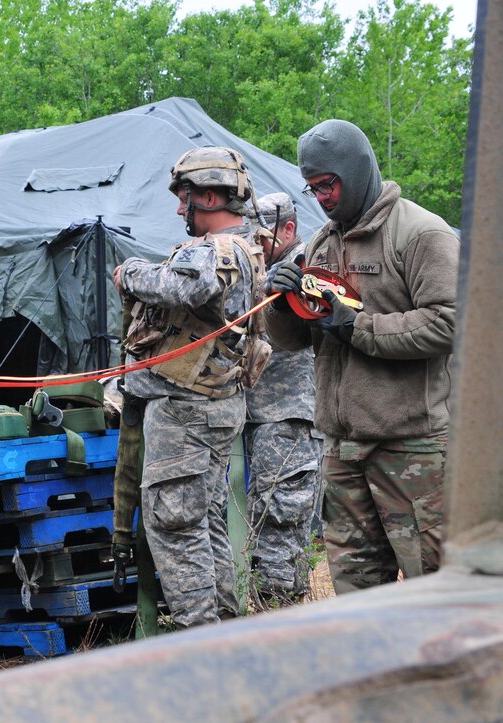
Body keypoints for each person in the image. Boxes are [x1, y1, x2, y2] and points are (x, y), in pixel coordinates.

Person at [263, 119, 458, 594]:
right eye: (312, 189)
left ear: (356, 171)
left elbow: (451, 321)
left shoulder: (419, 234)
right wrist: (279, 301)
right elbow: (293, 340)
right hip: (343, 450)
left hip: (411, 449)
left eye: (328, 184)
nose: (322, 197)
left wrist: (357, 327)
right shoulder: (319, 244)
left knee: (434, 590)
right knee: (355, 595)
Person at [113, 146, 266, 628]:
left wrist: (131, 273)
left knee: (174, 526)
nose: (180, 209)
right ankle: (223, 628)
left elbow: (189, 287)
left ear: (210, 195)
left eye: (185, 198)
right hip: (214, 406)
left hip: (187, 409)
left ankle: (201, 641)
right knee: (205, 521)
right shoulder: (248, 247)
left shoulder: (217, 252)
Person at [242, 192, 322, 605]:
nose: (254, 244)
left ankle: (280, 610)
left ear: (288, 230)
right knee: (259, 514)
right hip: (256, 414)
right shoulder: (262, 266)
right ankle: (267, 607)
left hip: (287, 415)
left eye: (262, 236)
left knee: (280, 514)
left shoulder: (307, 263)